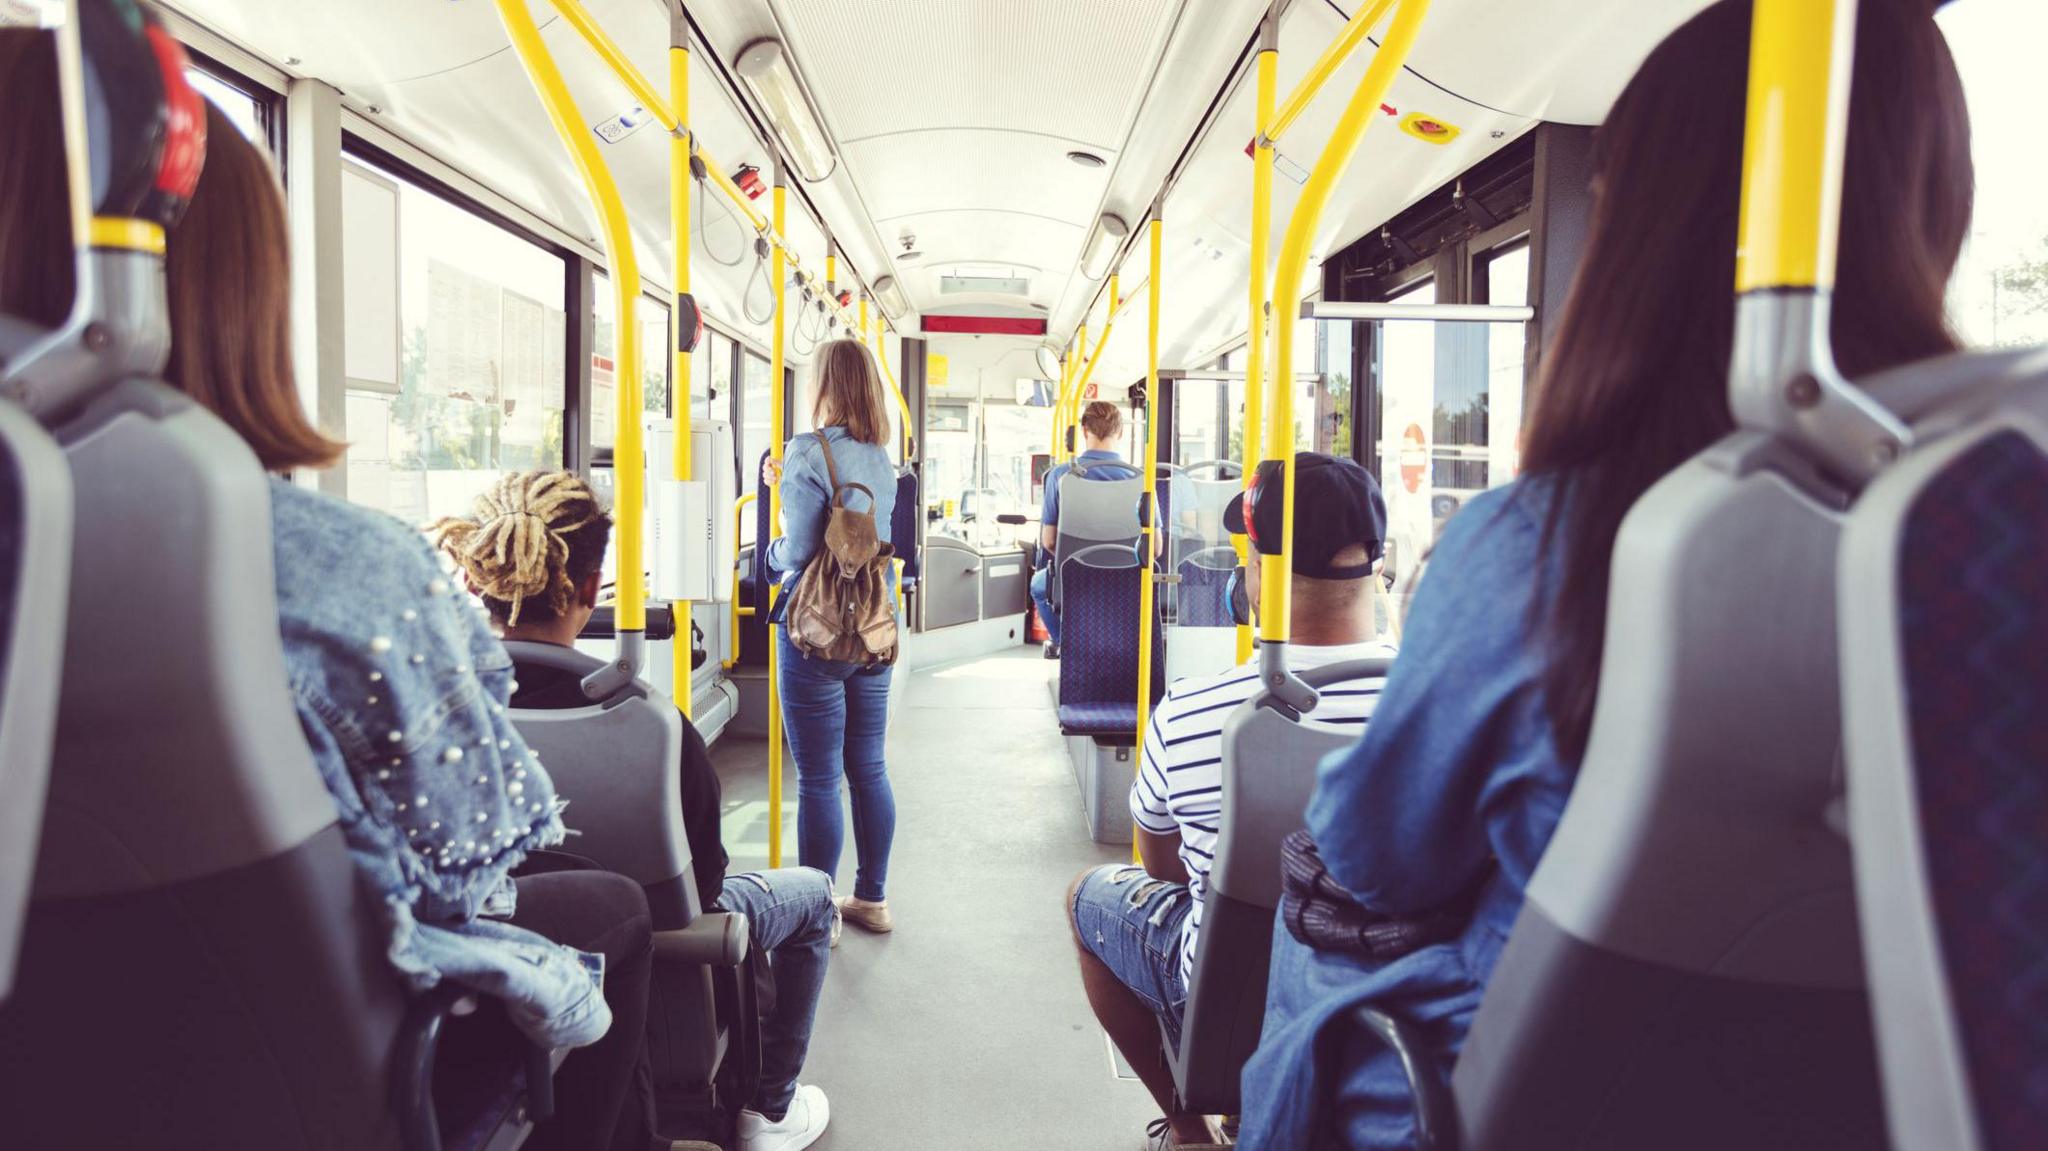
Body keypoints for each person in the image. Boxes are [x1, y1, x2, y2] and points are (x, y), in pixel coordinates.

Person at [1236, 2, 1972, 1147]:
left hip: (1544, 1102)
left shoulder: (1541, 550)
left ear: (1637, 235)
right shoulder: (1986, 565)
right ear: (1936, 206)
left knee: (1311, 902)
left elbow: (1376, 854)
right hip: (1900, 1106)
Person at [0, 48, 662, 1151]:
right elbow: (466, 877)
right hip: (279, 1077)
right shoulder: (347, 575)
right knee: (604, 910)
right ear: (232, 295)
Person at [436, 470, 837, 1151]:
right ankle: (766, 1109)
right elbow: (703, 886)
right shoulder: (649, 724)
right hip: (655, 938)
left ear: (478, 585)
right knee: (815, 895)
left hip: (485, 949)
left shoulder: (431, 714)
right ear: (593, 592)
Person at [1068, 453, 1399, 1149]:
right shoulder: (1434, 707)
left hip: (1229, 1009)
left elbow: (1160, 865)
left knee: (1086, 896)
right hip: (1387, 1012)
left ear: (1257, 570)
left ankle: (1189, 1128)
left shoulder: (1192, 711)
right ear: (1378, 561)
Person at [762, 338, 901, 934]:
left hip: (816, 630)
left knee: (819, 777)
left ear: (823, 386)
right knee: (868, 767)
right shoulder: (882, 457)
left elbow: (797, 550)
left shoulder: (805, 450)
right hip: (874, 627)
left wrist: (768, 554)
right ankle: (871, 898)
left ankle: (818, 914)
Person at [1031, 400, 1141, 657]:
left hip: (1075, 579)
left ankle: (1066, 646)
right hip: (1127, 581)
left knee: (1038, 585)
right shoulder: (1139, 478)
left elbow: (1049, 542)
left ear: (1083, 431)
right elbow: (1155, 546)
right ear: (1121, 432)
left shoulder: (1061, 476)